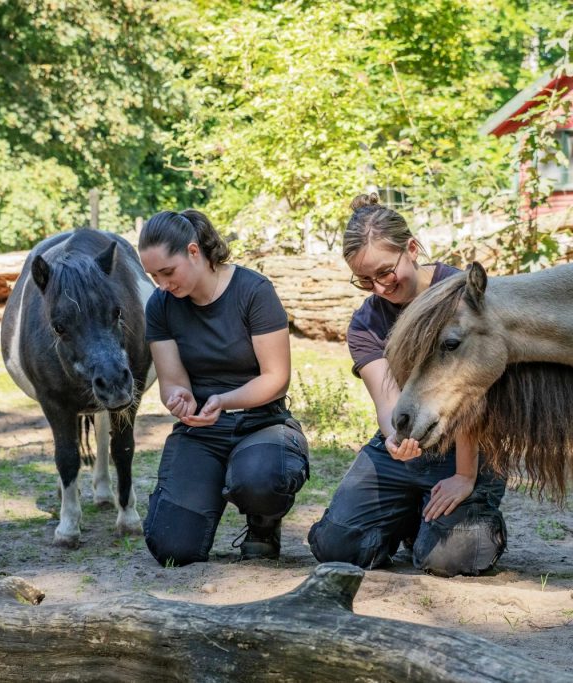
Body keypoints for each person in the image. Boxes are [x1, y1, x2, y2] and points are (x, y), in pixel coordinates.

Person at [307, 193, 507, 577]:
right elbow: (387, 401)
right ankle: (411, 518)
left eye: (384, 272)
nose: (379, 287)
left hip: (469, 442)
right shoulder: (365, 323)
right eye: (364, 280)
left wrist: (464, 476)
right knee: (335, 547)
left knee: (450, 559)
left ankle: (465, 522)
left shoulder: (463, 295)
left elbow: (473, 392)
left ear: (412, 249)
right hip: (409, 437)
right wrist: (394, 439)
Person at [138, 209, 309, 566]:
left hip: (262, 421)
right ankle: (202, 493)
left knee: (261, 479)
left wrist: (223, 399)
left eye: (168, 272)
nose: (163, 284)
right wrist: (178, 399)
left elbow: (276, 379)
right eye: (154, 276)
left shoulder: (253, 291)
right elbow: (172, 382)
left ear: (194, 251)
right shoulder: (161, 305)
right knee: (172, 548)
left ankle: (263, 522)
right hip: (202, 429)